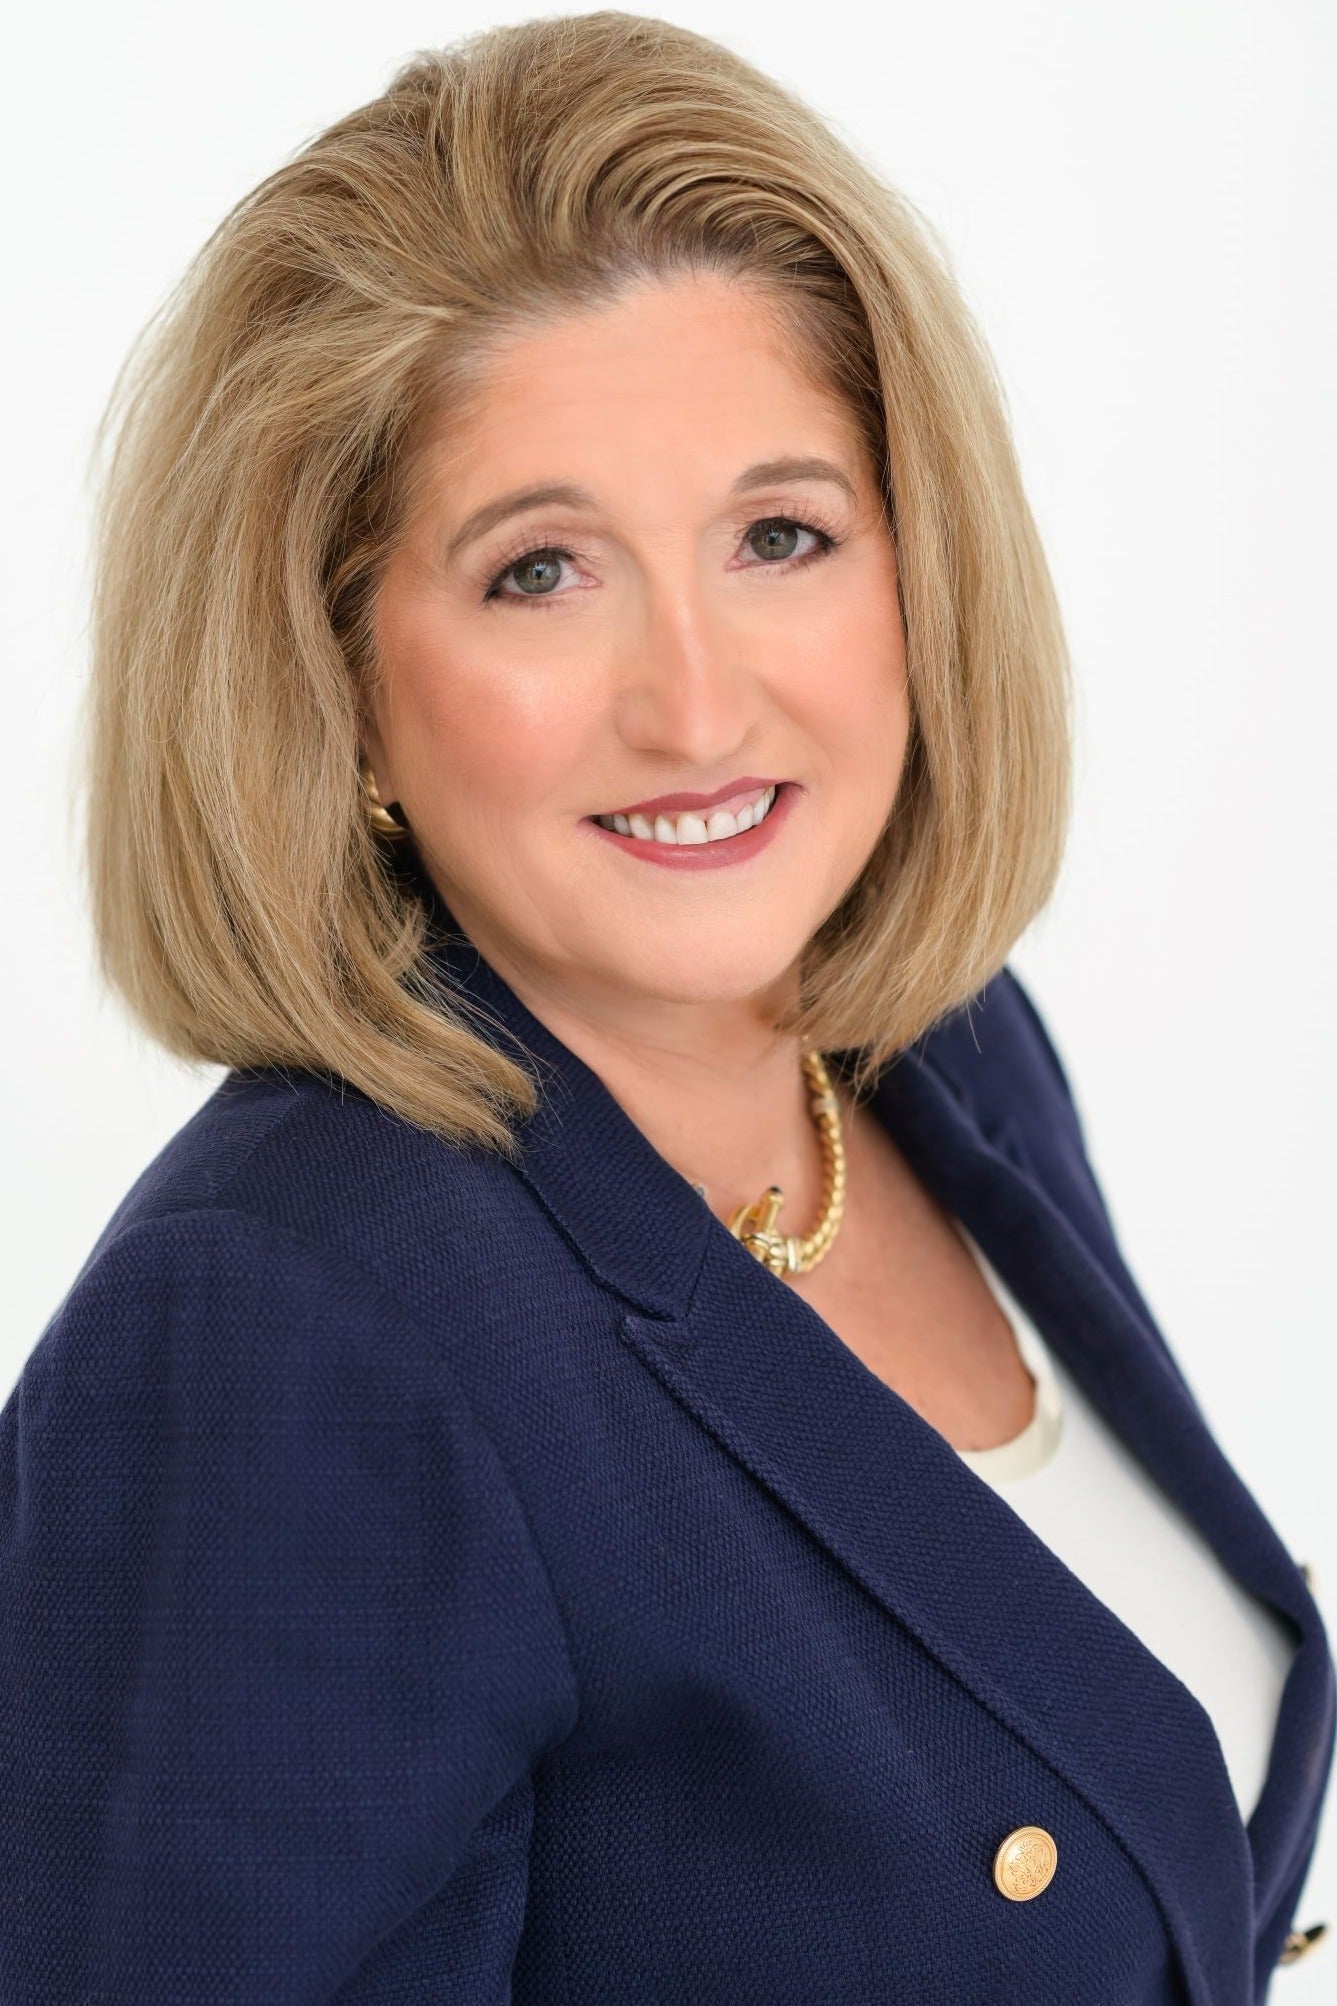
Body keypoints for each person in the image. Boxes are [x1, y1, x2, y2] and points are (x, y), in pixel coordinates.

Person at [1, 12, 1330, 2001]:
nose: (697, 706)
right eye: (541, 572)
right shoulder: (284, 1328)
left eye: (780, 535)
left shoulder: (943, 1050)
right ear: (336, 677)